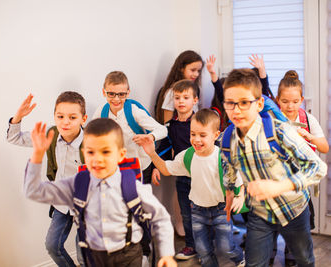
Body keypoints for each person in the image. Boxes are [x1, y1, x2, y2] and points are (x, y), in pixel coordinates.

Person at [23, 118, 177, 267]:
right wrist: (37, 155)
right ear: (84, 152)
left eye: (106, 152)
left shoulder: (132, 186)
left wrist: (167, 254)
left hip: (128, 255)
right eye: (91, 152)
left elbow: (161, 218)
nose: (97, 159)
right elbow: (34, 191)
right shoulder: (77, 184)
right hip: (94, 257)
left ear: (121, 155)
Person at [221, 68, 328, 267]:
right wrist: (231, 193)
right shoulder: (227, 139)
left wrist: (279, 187)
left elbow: (318, 167)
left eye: (244, 102)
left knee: (304, 260)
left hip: (294, 209)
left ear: (260, 103)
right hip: (260, 213)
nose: (236, 110)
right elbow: (230, 166)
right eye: (230, 103)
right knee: (255, 263)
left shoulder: (280, 131)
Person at [139, 109, 245, 267]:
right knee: (203, 251)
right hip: (197, 211)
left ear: (216, 135)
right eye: (193, 134)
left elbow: (239, 183)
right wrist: (153, 154)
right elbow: (166, 169)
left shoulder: (222, 157)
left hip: (221, 209)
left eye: (202, 135)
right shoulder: (187, 155)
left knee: (225, 247)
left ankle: (238, 257)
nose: (196, 140)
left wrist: (239, 197)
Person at [92, 71, 167, 264]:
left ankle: (147, 255)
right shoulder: (101, 112)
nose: (117, 99)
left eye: (122, 94)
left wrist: (149, 137)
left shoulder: (133, 111)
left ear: (128, 92)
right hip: (118, 171)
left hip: (141, 168)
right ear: (104, 92)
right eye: (112, 94)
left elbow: (162, 129)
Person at [7, 92, 87, 266]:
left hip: (87, 206)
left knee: (84, 256)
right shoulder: (51, 135)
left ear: (83, 118)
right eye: (60, 116)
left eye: (72, 117)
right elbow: (14, 137)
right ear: (54, 117)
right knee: (52, 245)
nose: (65, 122)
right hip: (62, 201)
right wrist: (18, 116)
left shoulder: (92, 142)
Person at [269, 70, 330, 266]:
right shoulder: (271, 120)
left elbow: (324, 147)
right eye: (285, 101)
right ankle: (269, 251)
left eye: (295, 101)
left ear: (301, 100)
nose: (290, 106)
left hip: (298, 184)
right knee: (271, 220)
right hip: (275, 181)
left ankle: (292, 252)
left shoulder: (308, 120)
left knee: (297, 224)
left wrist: (310, 137)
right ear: (278, 99)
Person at [153, 79, 199, 260]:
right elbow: (165, 147)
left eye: (185, 97)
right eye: (177, 97)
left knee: (203, 213)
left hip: (202, 176)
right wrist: (158, 167)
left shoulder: (199, 121)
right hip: (182, 176)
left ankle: (207, 246)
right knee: (186, 213)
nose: (181, 101)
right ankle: (190, 245)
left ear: (194, 100)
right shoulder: (170, 126)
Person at [155, 50, 203, 124]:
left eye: (198, 71)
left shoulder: (196, 89)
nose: (196, 74)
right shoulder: (172, 91)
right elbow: (167, 123)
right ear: (181, 68)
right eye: (193, 70)